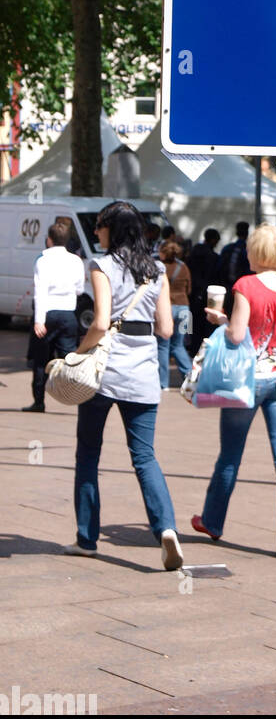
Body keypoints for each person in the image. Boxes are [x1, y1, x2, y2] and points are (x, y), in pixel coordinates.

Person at [64, 200, 183, 570]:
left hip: (104, 372)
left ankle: (87, 539)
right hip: (144, 373)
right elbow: (166, 329)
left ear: (110, 230)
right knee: (144, 457)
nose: (97, 231)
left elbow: (99, 323)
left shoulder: (101, 264)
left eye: (100, 225)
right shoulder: (157, 270)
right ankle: (166, 529)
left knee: (88, 454)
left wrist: (77, 352)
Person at [193, 224, 276, 557]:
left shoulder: (245, 284)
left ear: (255, 253)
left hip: (249, 380)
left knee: (230, 455)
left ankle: (212, 521)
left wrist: (220, 320)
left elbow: (237, 335)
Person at [24, 220, 86, 413]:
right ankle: (79, 397)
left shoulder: (42, 260)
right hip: (68, 314)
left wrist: (38, 320)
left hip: (48, 312)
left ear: (49, 240)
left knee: (41, 359)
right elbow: (79, 290)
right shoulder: (76, 260)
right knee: (69, 358)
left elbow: (40, 292)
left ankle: (39, 401)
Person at [157, 239, 193, 389]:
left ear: (164, 253)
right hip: (185, 309)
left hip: (168, 308)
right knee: (179, 345)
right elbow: (189, 288)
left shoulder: (160, 268)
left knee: (163, 346)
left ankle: (163, 383)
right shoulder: (184, 267)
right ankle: (191, 376)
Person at [186, 228, 222, 355]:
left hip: (193, 293)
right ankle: (204, 350)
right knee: (207, 324)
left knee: (193, 324)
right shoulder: (214, 257)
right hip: (208, 294)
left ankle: (192, 348)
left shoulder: (193, 253)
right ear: (213, 240)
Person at [219, 221, 251, 292]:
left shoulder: (227, 248)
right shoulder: (249, 250)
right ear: (247, 234)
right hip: (243, 287)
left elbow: (219, 267)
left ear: (237, 233)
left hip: (227, 286)